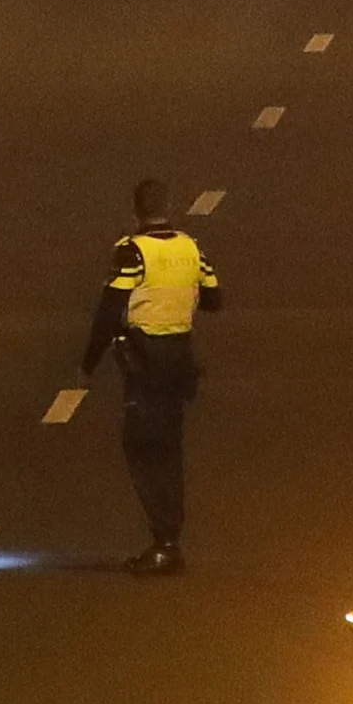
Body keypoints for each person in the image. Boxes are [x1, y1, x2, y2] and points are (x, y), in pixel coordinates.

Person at [81, 180, 224, 574]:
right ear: (169, 207)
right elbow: (214, 299)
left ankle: (165, 542)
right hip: (180, 361)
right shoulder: (191, 248)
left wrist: (89, 362)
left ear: (136, 211)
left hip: (145, 361)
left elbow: (109, 309)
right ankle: (170, 537)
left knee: (142, 446)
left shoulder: (132, 251)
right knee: (170, 447)